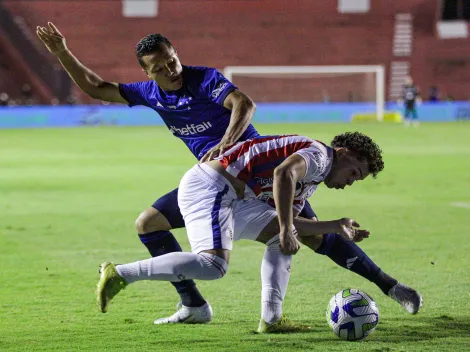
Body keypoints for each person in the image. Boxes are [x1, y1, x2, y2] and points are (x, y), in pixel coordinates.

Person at [37, 23, 421, 325]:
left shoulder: (203, 79)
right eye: (160, 67)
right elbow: (96, 87)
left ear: (176, 54)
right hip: (215, 180)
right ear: (147, 72)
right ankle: (194, 306)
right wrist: (62, 52)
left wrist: (228, 141)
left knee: (316, 235)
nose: (170, 70)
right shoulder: (151, 94)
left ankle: (392, 287)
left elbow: (244, 103)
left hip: (252, 170)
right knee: (148, 225)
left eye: (172, 60)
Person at [97, 132, 422, 333]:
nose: (351, 181)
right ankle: (121, 273)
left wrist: (335, 225)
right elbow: (283, 174)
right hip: (211, 187)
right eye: (355, 172)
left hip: (234, 197)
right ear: (344, 152)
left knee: (282, 241)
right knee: (213, 266)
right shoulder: (319, 156)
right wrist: (284, 227)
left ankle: (271, 319)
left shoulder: (310, 183)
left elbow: (292, 224)